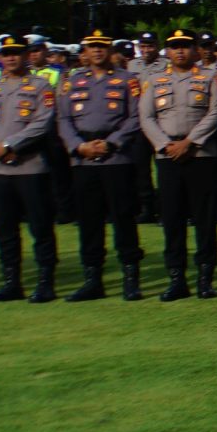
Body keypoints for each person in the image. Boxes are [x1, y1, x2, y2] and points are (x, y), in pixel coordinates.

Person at [57, 30, 145, 301]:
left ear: (110, 51)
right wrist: (78, 146)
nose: (97, 52)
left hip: (115, 157)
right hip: (83, 158)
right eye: (92, 47)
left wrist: (112, 143)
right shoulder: (72, 81)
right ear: (84, 52)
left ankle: (131, 279)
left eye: (101, 47)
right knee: (89, 220)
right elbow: (62, 119)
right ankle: (92, 279)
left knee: (123, 216)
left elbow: (134, 117)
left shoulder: (126, 80)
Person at [141, 26, 217, 300]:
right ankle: (176, 277)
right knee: (172, 218)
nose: (180, 50)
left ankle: (205, 278)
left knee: (204, 218)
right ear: (168, 50)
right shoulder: (154, 80)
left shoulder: (211, 77)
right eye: (175, 46)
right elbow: (146, 117)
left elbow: (216, 112)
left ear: (195, 50)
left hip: (200, 154)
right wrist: (166, 145)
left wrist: (190, 142)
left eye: (186, 45)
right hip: (167, 155)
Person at [0, 33, 60, 303]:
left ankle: (45, 282)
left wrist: (9, 144)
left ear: (27, 55)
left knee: (40, 227)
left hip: (30, 167)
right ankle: (11, 281)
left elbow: (43, 122)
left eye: (16, 52)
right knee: (4, 228)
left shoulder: (40, 86)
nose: (11, 57)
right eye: (6, 53)